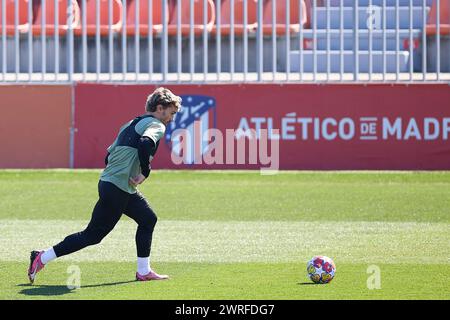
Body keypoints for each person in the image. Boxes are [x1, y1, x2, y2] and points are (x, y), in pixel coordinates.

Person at [28, 87, 182, 283]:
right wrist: (145, 171)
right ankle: (42, 257)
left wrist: (121, 171)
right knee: (93, 235)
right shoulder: (156, 125)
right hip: (117, 187)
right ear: (160, 108)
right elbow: (145, 143)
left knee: (148, 219)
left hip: (114, 184)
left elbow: (108, 155)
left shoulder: (132, 123)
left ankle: (143, 271)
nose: (171, 118)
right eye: (171, 113)